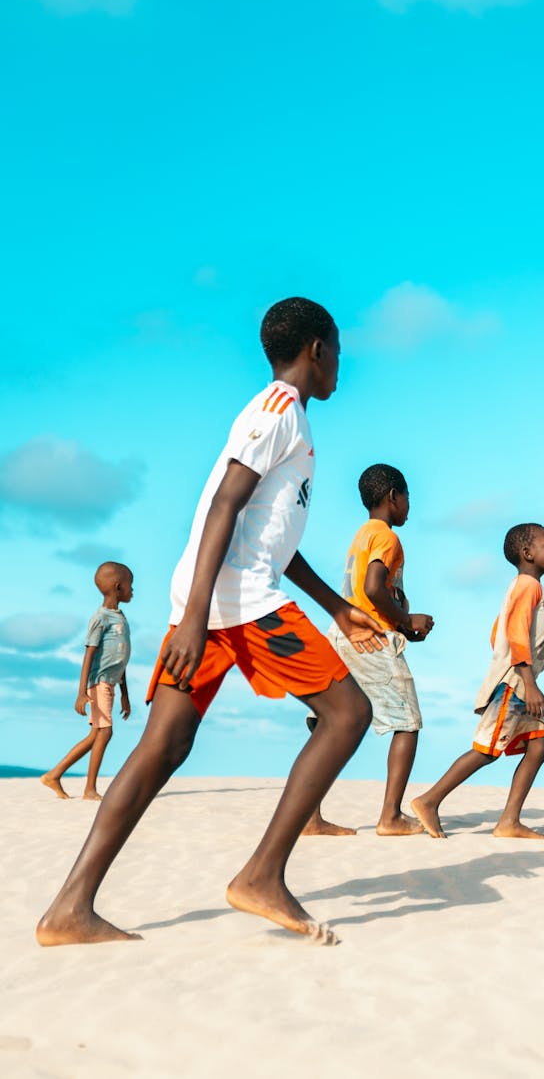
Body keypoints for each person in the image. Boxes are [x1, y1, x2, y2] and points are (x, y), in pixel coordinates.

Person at [36, 297, 384, 949]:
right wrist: (196, 618)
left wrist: (335, 606)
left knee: (161, 748)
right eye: (337, 348)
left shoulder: (289, 419)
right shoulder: (277, 411)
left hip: (219, 596)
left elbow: (271, 538)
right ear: (315, 348)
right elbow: (225, 503)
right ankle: (262, 875)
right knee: (348, 715)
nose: (341, 362)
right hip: (234, 603)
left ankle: (68, 909)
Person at [305, 464, 434, 837]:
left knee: (331, 722)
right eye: (408, 496)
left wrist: (405, 620)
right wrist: (407, 622)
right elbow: (374, 587)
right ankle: (390, 816)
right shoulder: (387, 538)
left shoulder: (362, 534)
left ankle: (309, 816)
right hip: (370, 638)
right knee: (407, 722)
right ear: (393, 496)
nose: (410, 505)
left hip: (342, 635)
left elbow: (368, 591)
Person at [411, 523, 544, 841]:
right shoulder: (528, 587)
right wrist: (527, 682)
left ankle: (509, 821)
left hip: (521, 682)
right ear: (528, 553)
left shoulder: (524, 588)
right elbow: (516, 633)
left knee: (539, 746)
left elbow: (497, 633)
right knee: (487, 750)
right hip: (516, 685)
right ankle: (429, 800)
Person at [41, 563, 133, 802]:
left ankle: (54, 775)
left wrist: (125, 694)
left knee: (95, 735)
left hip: (111, 684)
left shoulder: (120, 617)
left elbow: (119, 660)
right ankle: (89, 789)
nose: (133, 590)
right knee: (105, 732)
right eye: (131, 585)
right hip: (99, 682)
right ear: (118, 587)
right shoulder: (101, 618)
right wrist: (81, 692)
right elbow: (89, 655)